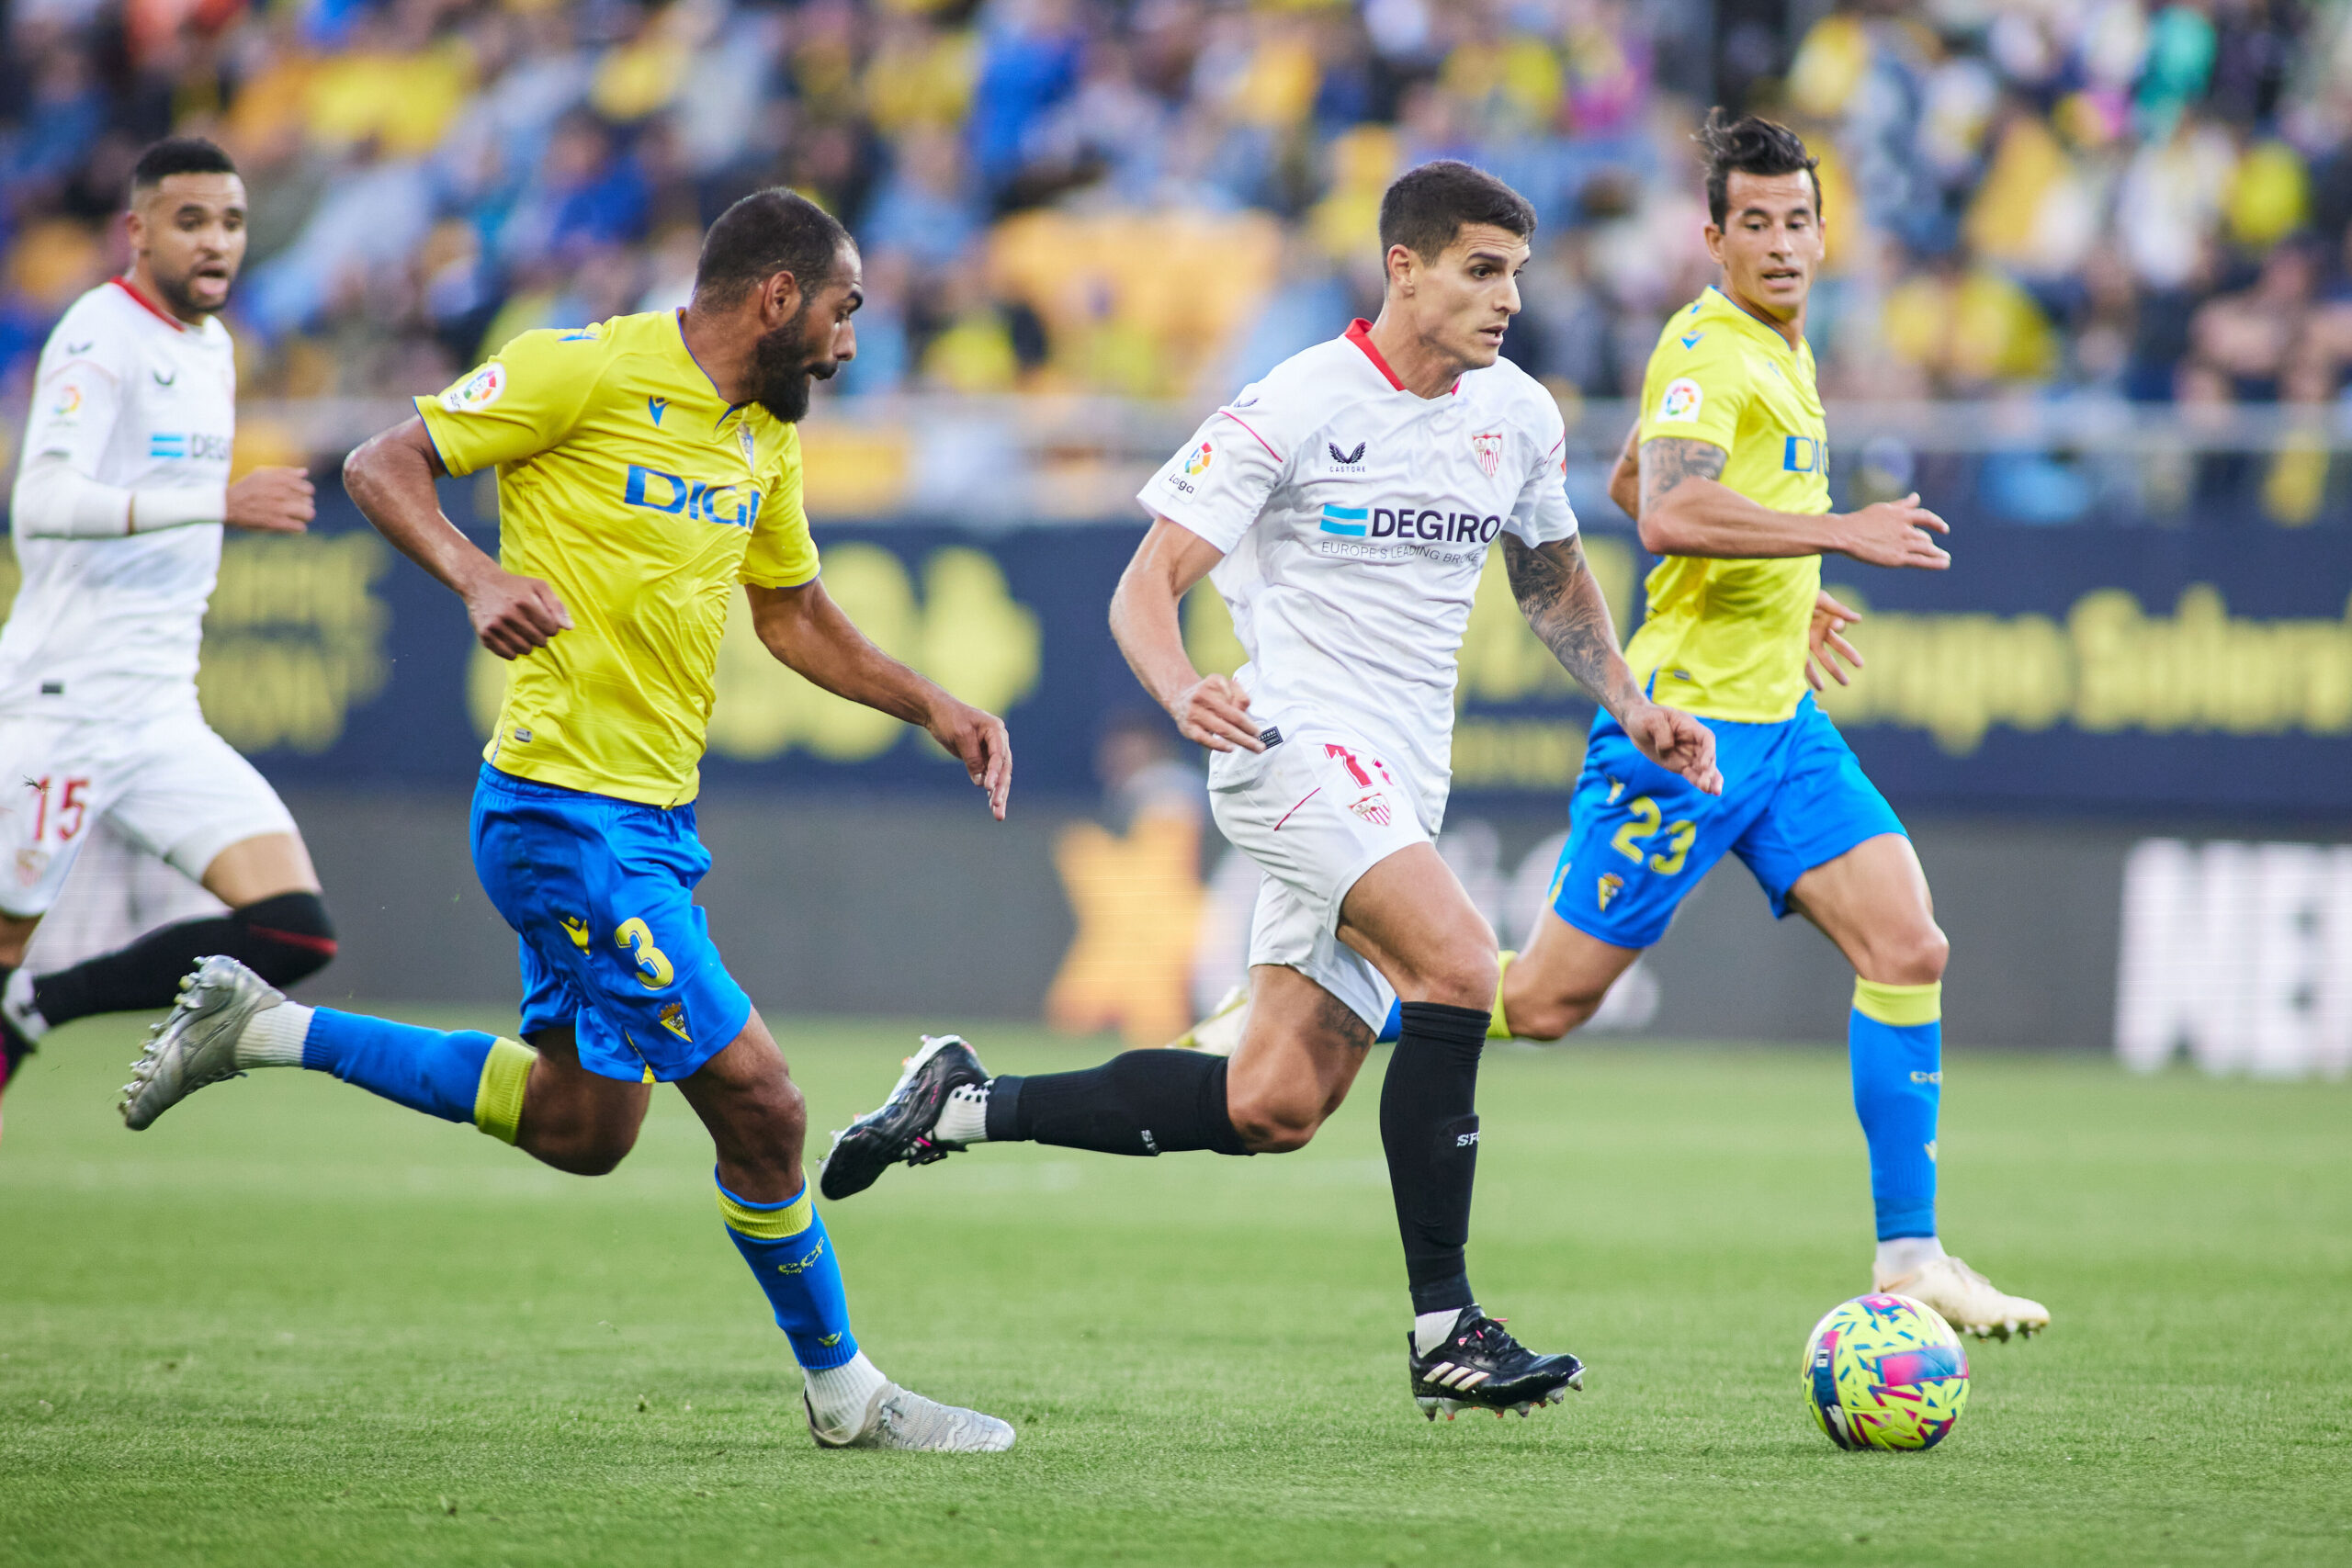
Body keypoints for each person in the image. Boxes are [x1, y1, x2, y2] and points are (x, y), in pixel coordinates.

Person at [118, 189, 1019, 1452]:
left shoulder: (763, 433)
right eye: (843, 309)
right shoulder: (581, 370)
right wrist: (477, 573)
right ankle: (846, 1391)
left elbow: (793, 612)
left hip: (649, 820)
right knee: (764, 1102)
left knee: (583, 1125)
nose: (850, 341)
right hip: (561, 811)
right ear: (776, 296)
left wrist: (937, 703)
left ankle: (265, 1027)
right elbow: (384, 464)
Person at [819, 161, 1721, 1420]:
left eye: (1516, 271)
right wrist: (1184, 682)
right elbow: (1146, 583)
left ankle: (959, 1103)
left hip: (1398, 782)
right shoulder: (1296, 402)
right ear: (1402, 266)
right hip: (1289, 748)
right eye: (1481, 268)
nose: (1508, 296)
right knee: (1462, 966)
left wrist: (1629, 701)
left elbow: (1551, 578)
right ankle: (1446, 1327)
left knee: (1274, 1101)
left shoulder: (1518, 414)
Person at [1226, 112, 2049, 1340]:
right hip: (1690, 732)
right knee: (1548, 1000)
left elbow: (1631, 477)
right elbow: (1663, 510)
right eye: (1754, 224)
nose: (1780, 244)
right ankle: (1314, 998)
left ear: (1826, 232)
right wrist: (1836, 531)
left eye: (1799, 221)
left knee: (1908, 945)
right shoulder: (1710, 346)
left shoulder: (1785, 345)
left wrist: (1786, 581)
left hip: (1785, 723)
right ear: (1713, 238)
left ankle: (1911, 1256)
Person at [0, 137, 333, 1139]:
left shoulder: (213, 347)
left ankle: (37, 1009)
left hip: (158, 714)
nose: (217, 242)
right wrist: (211, 502)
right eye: (191, 221)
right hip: (64, 703)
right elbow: (44, 497)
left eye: (231, 222)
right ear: (136, 230)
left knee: (291, 929)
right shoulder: (100, 334)